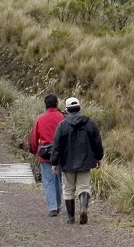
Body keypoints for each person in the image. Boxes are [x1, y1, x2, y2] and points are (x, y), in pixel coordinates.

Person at [50, 96, 104, 225]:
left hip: (67, 163)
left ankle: (70, 217)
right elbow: (97, 142)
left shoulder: (62, 125)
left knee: (68, 189)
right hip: (86, 162)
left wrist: (54, 162)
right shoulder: (90, 123)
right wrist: (98, 157)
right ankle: (83, 208)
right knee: (84, 187)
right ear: (79, 108)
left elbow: (56, 145)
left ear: (67, 110)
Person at [28, 94, 64, 216]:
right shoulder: (62, 117)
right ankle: (58, 205)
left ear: (45, 105)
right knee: (58, 179)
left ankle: (52, 207)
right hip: (60, 153)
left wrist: (33, 150)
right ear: (57, 104)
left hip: (45, 154)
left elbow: (34, 138)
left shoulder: (40, 119)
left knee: (48, 180)